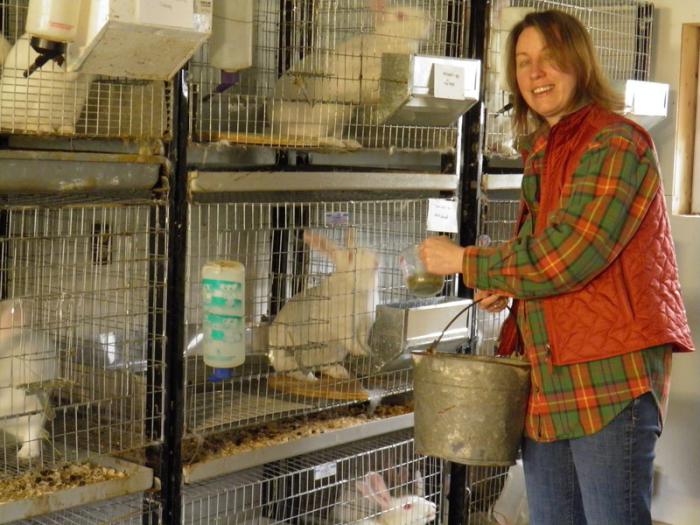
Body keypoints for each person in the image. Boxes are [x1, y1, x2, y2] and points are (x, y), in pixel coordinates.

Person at [419, 9, 694, 525]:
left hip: (606, 379)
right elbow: (545, 254)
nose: (535, 73)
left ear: (579, 62)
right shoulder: (547, 150)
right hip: (548, 377)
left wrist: (467, 262)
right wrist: (504, 285)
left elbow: (567, 257)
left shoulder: (616, 142)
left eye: (548, 59)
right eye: (523, 62)